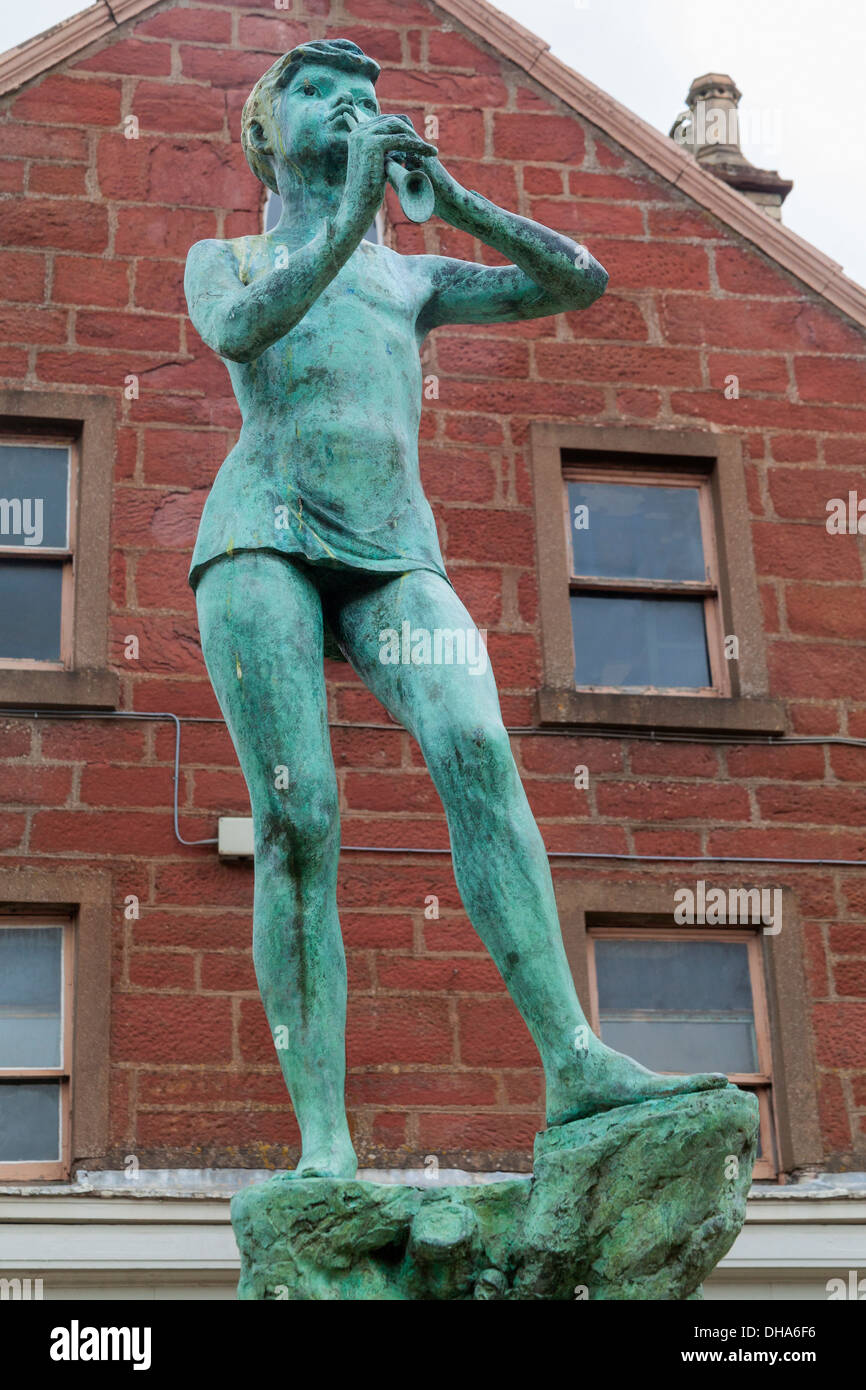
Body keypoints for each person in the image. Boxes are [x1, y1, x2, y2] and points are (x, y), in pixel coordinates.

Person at [185, 39, 726, 1179]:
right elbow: (245, 329)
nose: (352, 108)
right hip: (260, 538)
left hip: (391, 550)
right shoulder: (222, 256)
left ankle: (574, 1059)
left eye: (367, 96)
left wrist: (454, 203)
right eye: (321, 94)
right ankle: (324, 1143)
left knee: (476, 744)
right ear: (262, 135)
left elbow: (577, 278)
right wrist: (349, 223)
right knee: (300, 819)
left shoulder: (412, 278)